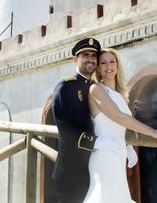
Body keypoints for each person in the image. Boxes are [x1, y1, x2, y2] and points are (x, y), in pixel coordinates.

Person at [83, 48, 157, 203]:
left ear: (117, 65)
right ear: (98, 68)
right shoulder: (96, 89)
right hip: (105, 153)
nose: (109, 66)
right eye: (103, 63)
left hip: (118, 152)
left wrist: (127, 143)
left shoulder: (119, 94)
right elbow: (118, 116)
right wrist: (154, 132)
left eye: (112, 61)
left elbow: (118, 124)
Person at [52, 37, 119, 203]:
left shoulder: (97, 88)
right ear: (75, 59)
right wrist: (97, 142)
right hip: (71, 172)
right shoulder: (65, 87)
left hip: (95, 167)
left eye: (94, 56)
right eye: (85, 55)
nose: (91, 59)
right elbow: (66, 128)